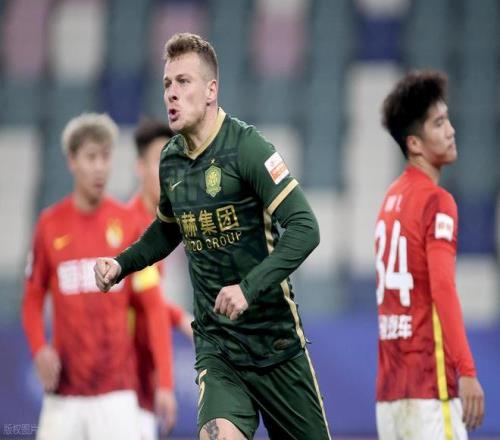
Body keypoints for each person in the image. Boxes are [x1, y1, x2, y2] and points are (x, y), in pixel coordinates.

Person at [95, 32, 331, 440]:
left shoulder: (248, 148)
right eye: (167, 84)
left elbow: (306, 228)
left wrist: (248, 288)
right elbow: (167, 230)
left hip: (276, 346)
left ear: (211, 90)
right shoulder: (170, 161)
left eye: (183, 81)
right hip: (219, 349)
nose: (171, 93)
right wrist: (121, 264)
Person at [21, 113, 174, 440]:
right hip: (63, 394)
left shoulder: (130, 226)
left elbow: (153, 307)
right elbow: (32, 298)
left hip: (116, 395)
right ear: (72, 161)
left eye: (106, 157)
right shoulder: (49, 225)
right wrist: (39, 348)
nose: (100, 167)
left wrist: (165, 383)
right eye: (91, 157)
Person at [375, 70, 485, 439]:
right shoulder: (437, 201)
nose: (451, 130)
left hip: (389, 396)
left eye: (447, 120)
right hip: (429, 390)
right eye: (438, 124)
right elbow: (442, 288)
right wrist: (466, 370)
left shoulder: (390, 200)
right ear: (415, 144)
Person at [129, 117, 194, 440]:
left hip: (138, 382)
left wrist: (179, 316)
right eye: (159, 161)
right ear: (139, 168)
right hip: (121, 385)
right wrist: (166, 385)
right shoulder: (131, 230)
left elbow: (147, 299)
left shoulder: (162, 224)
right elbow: (152, 307)